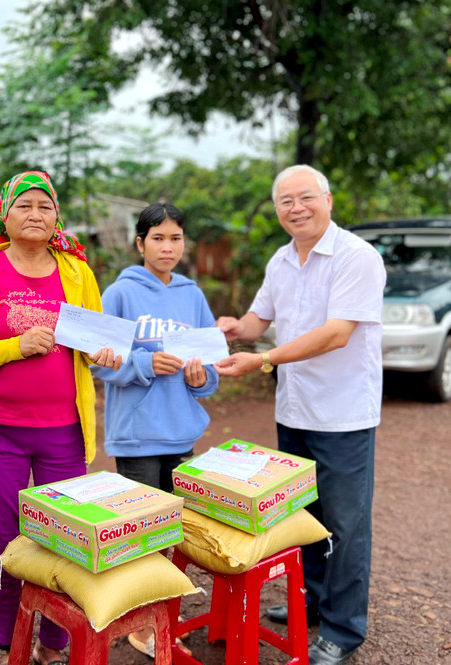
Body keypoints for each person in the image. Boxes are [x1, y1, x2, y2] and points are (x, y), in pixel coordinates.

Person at [214, 165, 385, 665]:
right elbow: (258, 319)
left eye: (305, 197)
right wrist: (234, 329)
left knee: (346, 523)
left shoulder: (356, 257)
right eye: (285, 201)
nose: (296, 208)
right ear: (277, 210)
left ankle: (343, 628)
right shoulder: (281, 261)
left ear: (328, 199)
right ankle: (309, 604)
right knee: (303, 517)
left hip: (344, 415)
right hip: (295, 410)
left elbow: (337, 333)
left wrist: (263, 359)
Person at [0, 170, 120, 665]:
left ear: (57, 216)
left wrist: (103, 354)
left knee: (64, 537)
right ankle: (10, 643)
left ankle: (52, 642)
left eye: (45, 206)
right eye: (24, 205)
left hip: (64, 431)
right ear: (4, 213)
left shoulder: (77, 273)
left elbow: (92, 340)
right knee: (6, 541)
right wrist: (13, 347)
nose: (36, 214)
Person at [90, 202, 218, 657]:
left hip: (181, 433)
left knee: (173, 530)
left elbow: (210, 369)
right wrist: (145, 362)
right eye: (158, 238)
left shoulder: (193, 295)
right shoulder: (121, 294)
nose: (168, 247)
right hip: (138, 434)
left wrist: (202, 378)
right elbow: (98, 362)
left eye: (176, 238)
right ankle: (140, 626)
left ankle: (159, 616)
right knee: (142, 532)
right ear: (140, 243)